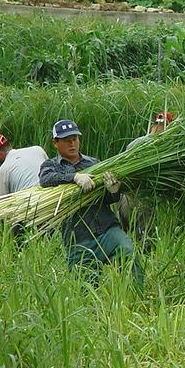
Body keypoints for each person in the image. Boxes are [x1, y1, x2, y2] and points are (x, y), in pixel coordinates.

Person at [39, 120, 143, 285]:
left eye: (75, 139)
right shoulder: (51, 166)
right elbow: (45, 180)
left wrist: (113, 190)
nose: (72, 144)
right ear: (55, 143)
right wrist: (73, 177)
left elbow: (108, 199)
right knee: (87, 287)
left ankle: (139, 298)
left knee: (127, 252)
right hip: (79, 238)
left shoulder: (94, 164)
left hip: (107, 229)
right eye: (67, 140)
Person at [119, 112, 174, 246]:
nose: (158, 128)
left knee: (135, 235)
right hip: (135, 195)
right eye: (157, 125)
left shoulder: (169, 148)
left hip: (140, 196)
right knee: (139, 236)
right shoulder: (142, 144)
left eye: (161, 125)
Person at [0, 134, 47, 200]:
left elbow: (0, 206)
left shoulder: (3, 171)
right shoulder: (38, 150)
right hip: (51, 195)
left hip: (32, 205)